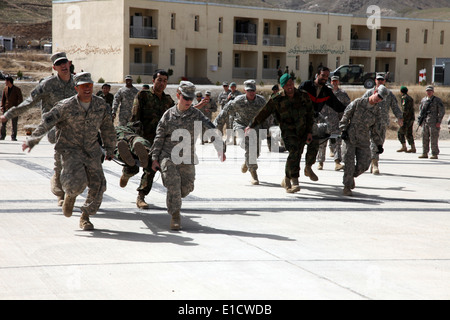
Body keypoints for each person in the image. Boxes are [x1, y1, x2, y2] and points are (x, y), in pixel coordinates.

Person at [22, 72, 116, 230]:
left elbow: (107, 128)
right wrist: (33, 139)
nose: (87, 88)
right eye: (83, 86)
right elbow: (47, 122)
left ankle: (85, 216)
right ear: (76, 88)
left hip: (92, 150)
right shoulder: (65, 106)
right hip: (70, 149)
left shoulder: (101, 105)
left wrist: (110, 148)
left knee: (99, 185)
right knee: (75, 182)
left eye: (90, 85)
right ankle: (70, 196)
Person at [0, 52, 77, 206]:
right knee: (62, 146)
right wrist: (8, 114)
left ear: (69, 64)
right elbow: (29, 102)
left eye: (65, 63)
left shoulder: (77, 83)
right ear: (54, 67)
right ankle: (60, 189)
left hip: (72, 125)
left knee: (76, 157)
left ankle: (66, 182)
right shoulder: (47, 84)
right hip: (52, 126)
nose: (63, 66)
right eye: (59, 64)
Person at [150, 81, 226, 230]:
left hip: (187, 157)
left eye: (191, 99)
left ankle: (175, 196)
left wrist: (220, 148)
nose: (189, 102)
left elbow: (210, 129)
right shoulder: (168, 115)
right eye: (185, 98)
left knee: (186, 188)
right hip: (168, 155)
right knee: (174, 184)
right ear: (178, 95)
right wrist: (154, 158)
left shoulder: (196, 114)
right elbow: (159, 137)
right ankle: (175, 215)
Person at [247, 73, 314, 193]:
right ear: (283, 86)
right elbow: (264, 113)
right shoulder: (277, 99)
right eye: (287, 84)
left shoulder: (303, 96)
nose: (290, 86)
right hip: (288, 131)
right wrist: (251, 125)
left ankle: (286, 179)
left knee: (297, 154)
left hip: (302, 131)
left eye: (291, 83)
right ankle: (295, 181)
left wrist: (309, 131)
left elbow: (310, 114)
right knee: (294, 151)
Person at [117, 69, 175, 209]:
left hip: (157, 140)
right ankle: (127, 173)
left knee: (151, 168)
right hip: (142, 136)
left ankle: (141, 196)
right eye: (159, 80)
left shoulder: (168, 101)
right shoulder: (143, 95)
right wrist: (136, 136)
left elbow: (177, 115)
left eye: (164, 81)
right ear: (153, 80)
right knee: (133, 163)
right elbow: (135, 117)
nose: (162, 83)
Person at [214, 80, 267, 185]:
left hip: (255, 126)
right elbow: (224, 112)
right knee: (248, 144)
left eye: (253, 90)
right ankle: (253, 173)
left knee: (256, 152)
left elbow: (269, 114)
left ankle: (247, 163)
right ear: (244, 90)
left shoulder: (261, 101)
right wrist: (215, 126)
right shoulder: (238, 101)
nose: (251, 93)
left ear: (256, 90)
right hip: (241, 125)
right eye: (249, 90)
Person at [298, 66, 346, 182]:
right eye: (323, 75)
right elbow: (295, 101)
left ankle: (308, 167)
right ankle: (291, 176)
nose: (325, 78)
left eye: (326, 76)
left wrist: (352, 110)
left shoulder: (326, 92)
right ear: (317, 75)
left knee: (314, 144)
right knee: (297, 148)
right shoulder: (306, 86)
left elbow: (337, 105)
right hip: (299, 121)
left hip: (312, 122)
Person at [339, 85, 386, 196]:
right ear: (374, 92)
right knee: (349, 163)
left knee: (365, 164)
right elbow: (346, 114)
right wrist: (343, 130)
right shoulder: (358, 102)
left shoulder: (377, 111)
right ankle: (347, 186)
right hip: (350, 137)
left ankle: (351, 176)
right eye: (378, 96)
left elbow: (375, 129)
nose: (378, 99)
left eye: (381, 99)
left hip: (364, 140)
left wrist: (378, 144)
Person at [362, 73, 403, 174]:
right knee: (373, 142)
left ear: (384, 81)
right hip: (371, 122)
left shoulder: (388, 94)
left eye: (382, 80)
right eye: (378, 80)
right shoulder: (369, 92)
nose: (380, 81)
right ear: (375, 80)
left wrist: (399, 117)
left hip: (383, 122)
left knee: (380, 143)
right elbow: (361, 104)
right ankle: (375, 163)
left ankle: (373, 161)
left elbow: (395, 106)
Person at [316, 76, 350, 171]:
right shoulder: (320, 99)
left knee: (337, 143)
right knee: (322, 144)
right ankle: (320, 162)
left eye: (336, 81)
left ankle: (337, 163)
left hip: (335, 124)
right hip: (323, 125)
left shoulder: (339, 96)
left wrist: (344, 119)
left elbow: (346, 108)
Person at [418, 86, 445, 159]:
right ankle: (424, 153)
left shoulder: (437, 100)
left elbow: (441, 111)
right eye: (427, 91)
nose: (429, 92)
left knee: (434, 138)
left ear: (433, 92)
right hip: (425, 122)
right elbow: (421, 111)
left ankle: (434, 153)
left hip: (433, 122)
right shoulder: (423, 100)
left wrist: (439, 121)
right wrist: (420, 120)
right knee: (424, 138)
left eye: (430, 91)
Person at [1, 76, 23, 141]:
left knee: (14, 124)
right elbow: (3, 99)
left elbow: (20, 100)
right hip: (6, 109)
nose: (5, 82)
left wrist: (17, 108)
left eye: (6, 81)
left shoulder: (17, 89)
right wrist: (2, 106)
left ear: (9, 81)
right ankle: (2, 136)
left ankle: (13, 137)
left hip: (14, 109)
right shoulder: (5, 89)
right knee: (3, 123)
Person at [396, 86, 416, 153]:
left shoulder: (404, 98)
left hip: (406, 119)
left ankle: (404, 146)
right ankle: (413, 147)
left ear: (401, 91)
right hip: (411, 118)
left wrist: (402, 118)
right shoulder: (410, 98)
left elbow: (405, 109)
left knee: (400, 133)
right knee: (409, 133)